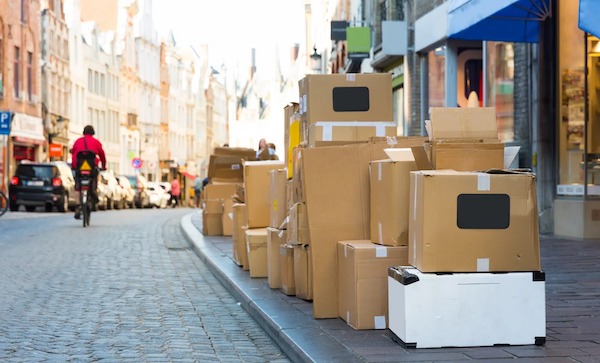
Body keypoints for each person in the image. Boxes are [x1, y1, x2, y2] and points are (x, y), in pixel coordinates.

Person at [71, 125, 106, 220]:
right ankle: (93, 192)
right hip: (91, 168)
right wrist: (103, 166)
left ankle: (78, 205)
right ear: (93, 133)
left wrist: (74, 166)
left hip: (79, 168)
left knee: (77, 186)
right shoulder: (96, 142)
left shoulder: (78, 141)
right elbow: (102, 155)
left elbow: (74, 154)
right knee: (94, 180)